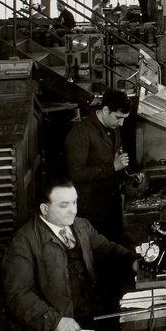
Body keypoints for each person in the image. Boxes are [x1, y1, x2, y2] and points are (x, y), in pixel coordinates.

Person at [2, 178, 149, 331]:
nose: (73, 210)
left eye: (74, 202)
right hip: (48, 329)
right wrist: (55, 322)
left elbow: (105, 248)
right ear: (45, 209)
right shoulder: (23, 242)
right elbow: (19, 295)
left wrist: (131, 261)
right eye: (64, 205)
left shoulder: (81, 226)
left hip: (88, 314)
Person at [66, 88, 132, 242]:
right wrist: (113, 167)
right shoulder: (81, 132)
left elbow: (114, 158)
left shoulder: (113, 127)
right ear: (106, 110)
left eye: (124, 118)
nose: (121, 123)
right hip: (92, 209)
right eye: (118, 117)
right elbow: (76, 173)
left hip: (111, 203)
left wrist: (129, 174)